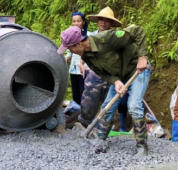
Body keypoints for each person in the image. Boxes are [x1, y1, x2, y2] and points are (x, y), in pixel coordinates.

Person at [58, 22, 151, 156]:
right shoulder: (86, 56)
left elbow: (138, 30)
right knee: (107, 107)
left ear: (78, 44)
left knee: (134, 106)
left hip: (137, 70)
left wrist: (143, 57)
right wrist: (116, 81)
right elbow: (102, 73)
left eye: (69, 48)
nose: (70, 51)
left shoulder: (107, 38)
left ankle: (142, 146)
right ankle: (99, 140)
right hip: (119, 76)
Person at [77, 7, 120, 127]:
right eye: (101, 19)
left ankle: (103, 132)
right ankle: (84, 129)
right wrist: (82, 65)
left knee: (108, 106)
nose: (103, 22)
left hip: (111, 77)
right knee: (88, 105)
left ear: (111, 23)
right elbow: (84, 52)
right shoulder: (91, 37)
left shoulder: (115, 37)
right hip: (94, 75)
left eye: (106, 20)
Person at [67, 12, 88, 105]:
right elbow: (68, 53)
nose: (76, 23)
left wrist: (82, 63)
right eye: (74, 21)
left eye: (78, 21)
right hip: (73, 69)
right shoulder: (70, 36)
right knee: (75, 94)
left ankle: (83, 115)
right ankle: (76, 115)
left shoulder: (88, 36)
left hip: (84, 69)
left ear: (83, 22)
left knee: (83, 93)